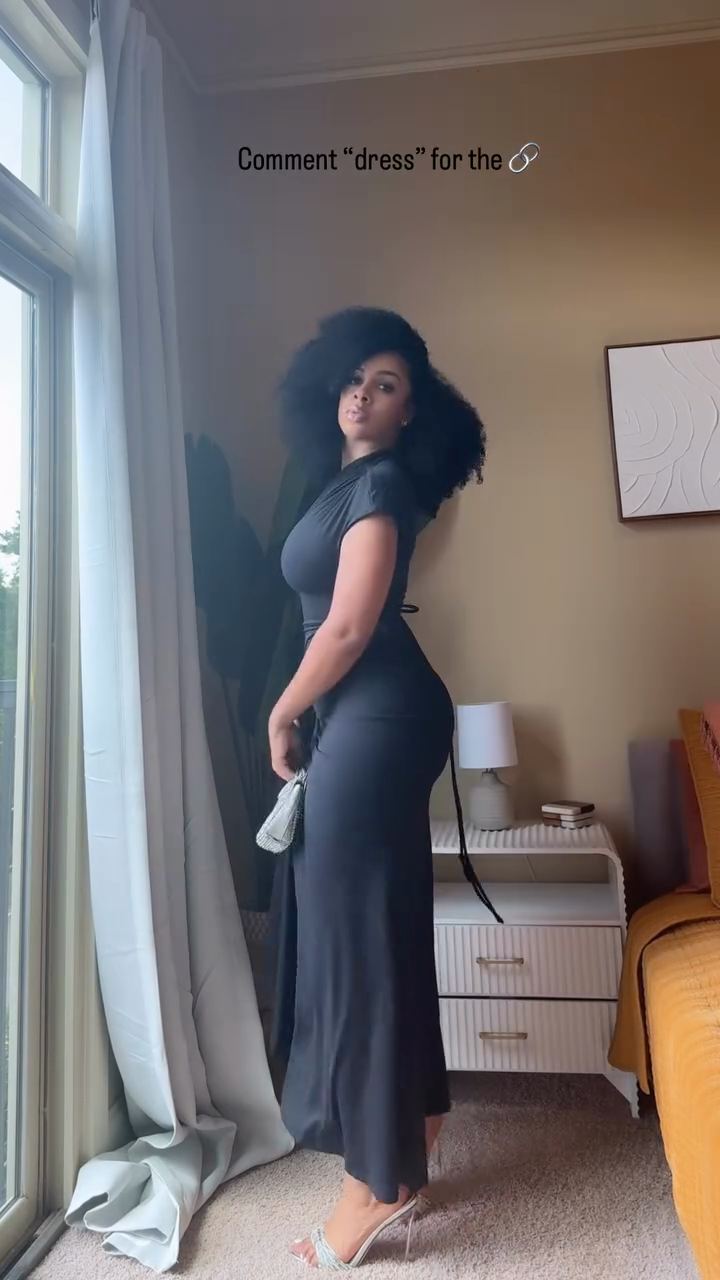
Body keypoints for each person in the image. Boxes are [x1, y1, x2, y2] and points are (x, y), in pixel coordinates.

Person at [267, 306, 502, 1270]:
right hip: (368, 721)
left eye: (388, 383)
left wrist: (282, 711)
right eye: (356, 377)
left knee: (353, 937)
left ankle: (378, 1183)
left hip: (378, 716)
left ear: (412, 412)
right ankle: (418, 1125)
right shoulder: (346, 482)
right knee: (380, 925)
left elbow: (350, 628)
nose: (363, 393)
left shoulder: (385, 484)